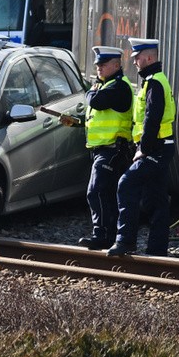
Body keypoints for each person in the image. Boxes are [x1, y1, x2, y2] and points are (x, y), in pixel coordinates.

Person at [108, 37, 176, 257]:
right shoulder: (153, 80)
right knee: (156, 200)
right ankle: (157, 251)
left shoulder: (154, 82)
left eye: (137, 57)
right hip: (161, 147)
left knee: (126, 184)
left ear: (148, 57)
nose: (134, 61)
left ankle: (125, 241)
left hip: (155, 148)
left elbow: (151, 119)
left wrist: (143, 149)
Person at [60, 46, 133, 250]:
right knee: (105, 193)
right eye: (97, 64)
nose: (98, 68)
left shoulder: (118, 86)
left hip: (113, 149)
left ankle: (102, 235)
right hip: (103, 149)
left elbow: (97, 102)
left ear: (117, 65)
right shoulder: (107, 85)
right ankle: (108, 235)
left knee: (97, 191)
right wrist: (77, 123)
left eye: (103, 64)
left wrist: (91, 90)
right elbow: (99, 117)